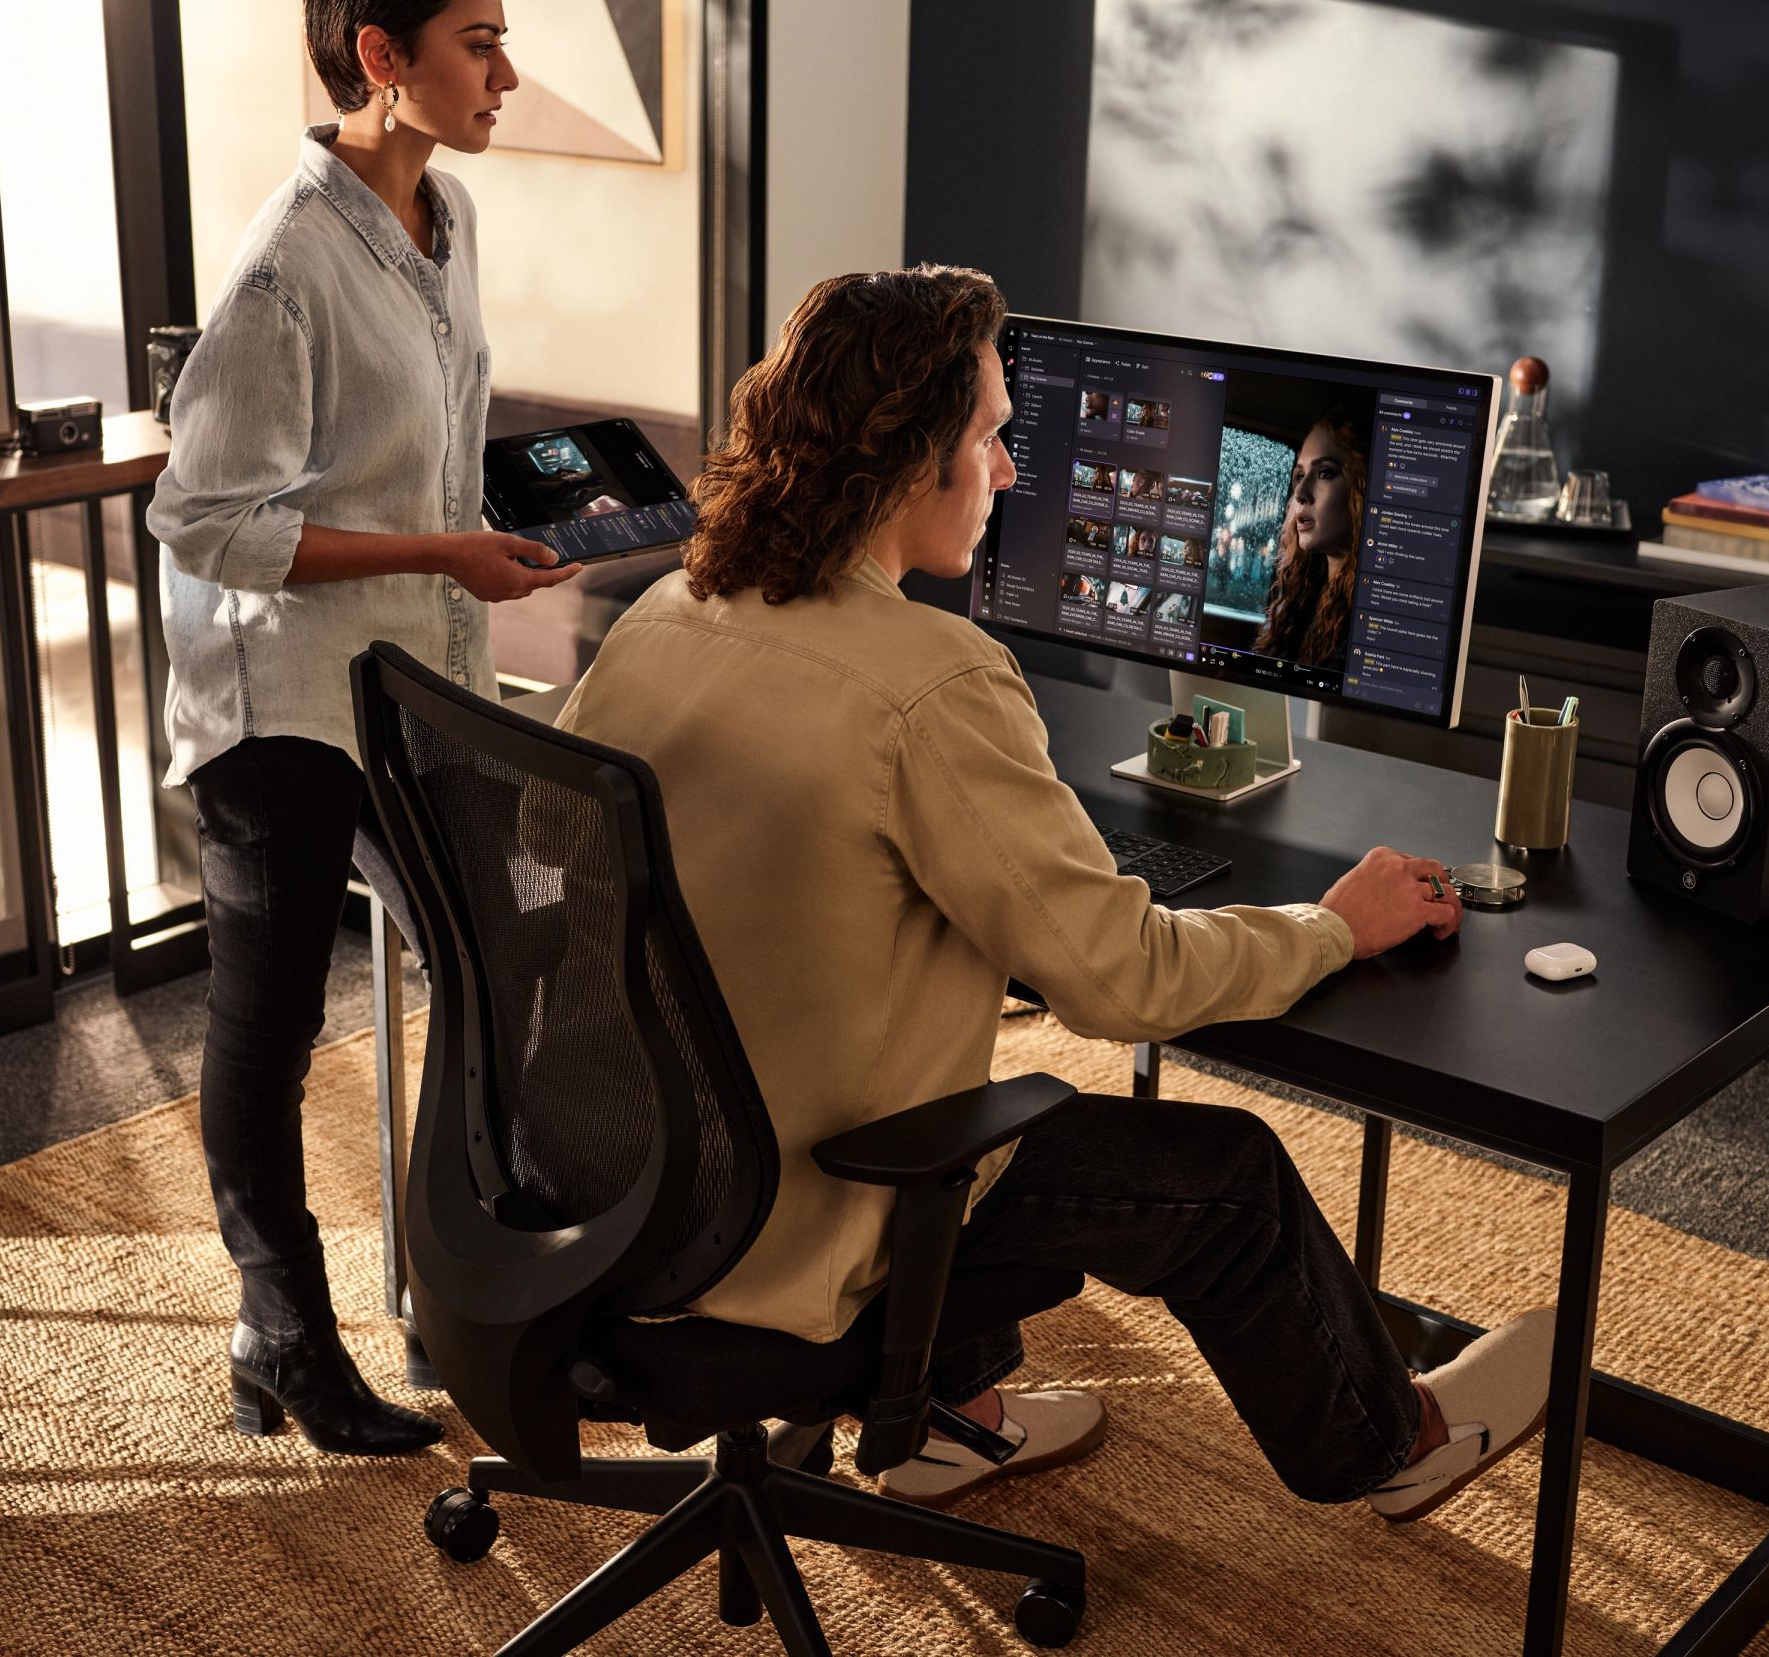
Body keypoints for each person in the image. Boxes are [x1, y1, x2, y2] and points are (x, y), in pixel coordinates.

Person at [557, 265, 1553, 1522]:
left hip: (629, 1167)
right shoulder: (935, 681)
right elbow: (1120, 981)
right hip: (801, 1215)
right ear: (916, 462)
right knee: (1225, 1175)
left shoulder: (667, 610)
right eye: (992, 439)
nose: (1014, 473)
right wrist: (1329, 927)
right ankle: (1389, 1442)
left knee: (941, 1057)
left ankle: (946, 1416)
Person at [146, 0, 582, 1455]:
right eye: (480, 42)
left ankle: (489, 1271)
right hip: (281, 712)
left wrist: (511, 527)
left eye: (505, 38)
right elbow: (202, 520)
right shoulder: (282, 272)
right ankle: (283, 1333)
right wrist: (439, 557)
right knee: (265, 1032)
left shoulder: (444, 222)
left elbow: (427, 454)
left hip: (412, 678)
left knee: (506, 952)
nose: (507, 73)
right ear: (381, 57)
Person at [1253, 411, 1369, 667]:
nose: (1301, 494)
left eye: (1325, 473)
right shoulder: (1301, 595)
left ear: (1361, 489)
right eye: (1300, 475)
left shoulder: (1367, 621)